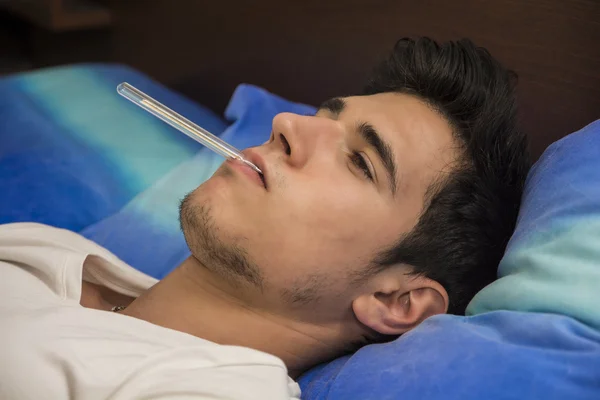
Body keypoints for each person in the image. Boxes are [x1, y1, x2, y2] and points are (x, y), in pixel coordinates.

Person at [0, 37, 529, 399]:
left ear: (397, 300)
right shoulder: (49, 251)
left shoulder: (211, 388)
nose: (285, 124)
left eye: (360, 162)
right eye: (323, 117)